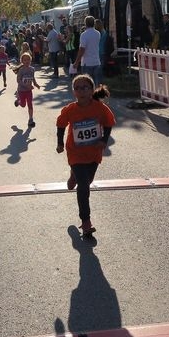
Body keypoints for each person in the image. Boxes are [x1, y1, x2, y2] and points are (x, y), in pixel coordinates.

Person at [55, 74, 115, 237]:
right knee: (84, 186)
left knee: (88, 181)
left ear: (91, 90)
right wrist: (60, 143)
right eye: (77, 88)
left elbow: (109, 123)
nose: (81, 91)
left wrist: (104, 140)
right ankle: (86, 221)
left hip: (93, 152)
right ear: (73, 92)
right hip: (75, 152)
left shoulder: (100, 108)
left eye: (85, 88)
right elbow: (61, 125)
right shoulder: (70, 109)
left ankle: (74, 175)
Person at [13, 52, 41, 127]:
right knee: (23, 105)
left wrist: (35, 84)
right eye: (25, 60)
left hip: (29, 91)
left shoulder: (32, 69)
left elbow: (32, 77)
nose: (27, 61)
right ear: (22, 61)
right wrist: (26, 85)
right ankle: (18, 102)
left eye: (28, 59)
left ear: (30, 60)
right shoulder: (21, 70)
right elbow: (18, 80)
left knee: (30, 104)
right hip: (21, 90)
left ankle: (30, 119)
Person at [73, 16, 102, 85]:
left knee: (87, 84)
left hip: (87, 62)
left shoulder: (84, 35)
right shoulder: (98, 33)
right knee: (96, 84)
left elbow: (82, 50)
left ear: (85, 23)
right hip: (96, 61)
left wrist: (76, 62)